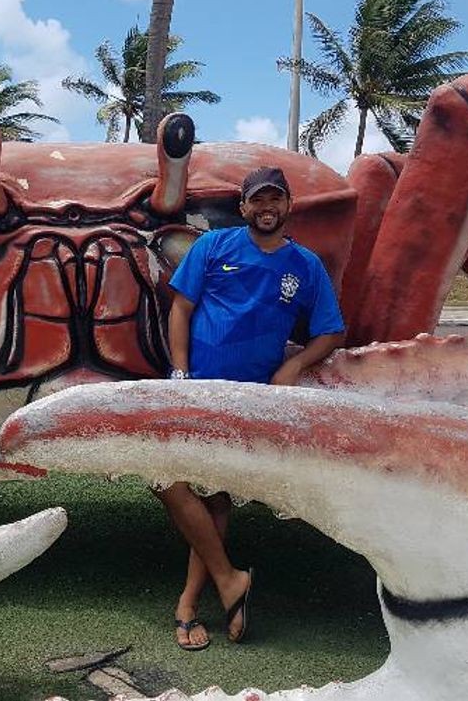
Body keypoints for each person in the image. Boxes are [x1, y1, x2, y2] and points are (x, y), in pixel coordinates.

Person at [159, 165, 345, 651]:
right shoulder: (213, 247)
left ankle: (188, 604)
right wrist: (178, 374)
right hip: (196, 389)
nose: (267, 208)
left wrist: (295, 365)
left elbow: (331, 331)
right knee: (166, 479)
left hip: (253, 399)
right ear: (243, 208)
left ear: (287, 206)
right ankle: (228, 579)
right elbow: (181, 308)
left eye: (275, 200)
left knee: (217, 498)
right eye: (257, 201)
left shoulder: (304, 265)